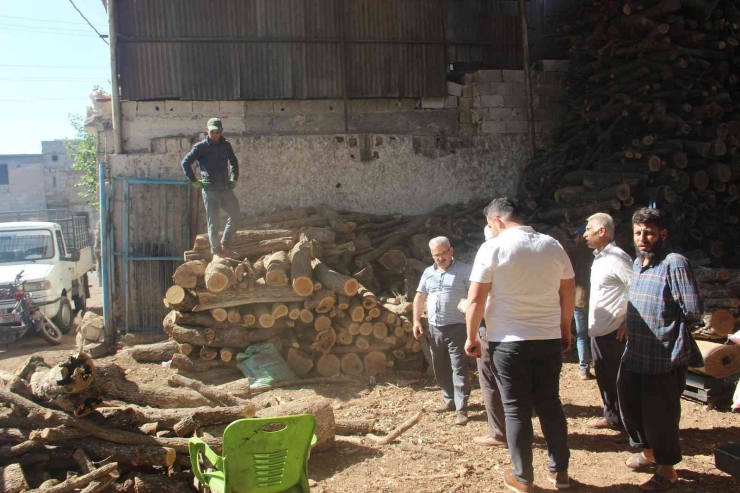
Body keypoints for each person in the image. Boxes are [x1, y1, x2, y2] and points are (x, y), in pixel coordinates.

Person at [466, 197, 575, 492]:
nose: (492, 230)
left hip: (508, 343)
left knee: (515, 410)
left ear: (498, 221)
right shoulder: (552, 245)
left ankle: (523, 477)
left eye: (491, 225)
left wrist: (471, 336)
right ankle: (560, 472)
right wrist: (565, 328)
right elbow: (568, 292)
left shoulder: (493, 247)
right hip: (548, 338)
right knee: (550, 404)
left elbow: (475, 299)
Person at [619, 208, 704, 492]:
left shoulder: (674, 263)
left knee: (661, 415)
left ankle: (667, 471)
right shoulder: (638, 262)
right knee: (631, 407)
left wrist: (666, 328)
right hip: (635, 351)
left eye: (650, 233)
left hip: (663, 357)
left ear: (662, 234)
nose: (643, 238)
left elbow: (693, 309)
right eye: (638, 233)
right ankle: (649, 454)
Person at [413, 236, 472, 426]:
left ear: (451, 251)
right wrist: (415, 321)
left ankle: (462, 408)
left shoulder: (464, 271)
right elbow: (420, 297)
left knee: (459, 366)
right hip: (435, 327)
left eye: (443, 254)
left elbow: (475, 297)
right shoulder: (428, 273)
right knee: (439, 366)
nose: (440, 258)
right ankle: (449, 400)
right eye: (436, 255)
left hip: (458, 327)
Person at [582, 213, 632, 430]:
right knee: (604, 377)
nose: (584, 234)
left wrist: (629, 321)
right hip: (598, 330)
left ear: (601, 231)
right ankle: (612, 417)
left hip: (615, 332)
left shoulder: (617, 258)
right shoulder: (599, 257)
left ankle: (629, 425)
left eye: (588, 229)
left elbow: (636, 288)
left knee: (620, 381)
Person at [458, 226, 507, 447]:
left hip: (491, 329)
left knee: (489, 381)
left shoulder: (489, 251)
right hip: (522, 330)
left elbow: (478, 300)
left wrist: (471, 335)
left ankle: (499, 433)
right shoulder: (536, 250)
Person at [181, 117, 240, 258]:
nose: (215, 135)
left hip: (225, 188)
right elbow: (185, 163)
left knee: (235, 214)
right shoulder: (200, 147)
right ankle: (217, 251)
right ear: (207, 131)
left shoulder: (226, 145)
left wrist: (234, 178)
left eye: (217, 132)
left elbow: (234, 161)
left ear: (221, 131)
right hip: (211, 190)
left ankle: (226, 245)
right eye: (212, 132)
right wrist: (195, 181)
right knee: (214, 222)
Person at [570, 241, 593, 380]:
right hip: (596, 299)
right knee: (596, 335)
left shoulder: (573, 252)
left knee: (581, 336)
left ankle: (584, 368)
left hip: (579, 299)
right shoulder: (597, 253)